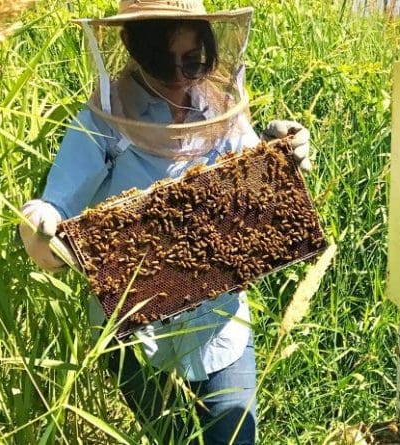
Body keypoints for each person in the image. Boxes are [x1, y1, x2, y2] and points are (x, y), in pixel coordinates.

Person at [17, 1, 311, 443]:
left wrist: (283, 149)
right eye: (161, 60)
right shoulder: (101, 125)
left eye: (192, 61)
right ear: (134, 49)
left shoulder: (220, 112)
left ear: (207, 51)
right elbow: (51, 209)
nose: (177, 77)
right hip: (134, 337)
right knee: (168, 437)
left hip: (220, 322)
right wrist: (37, 224)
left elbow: (258, 183)